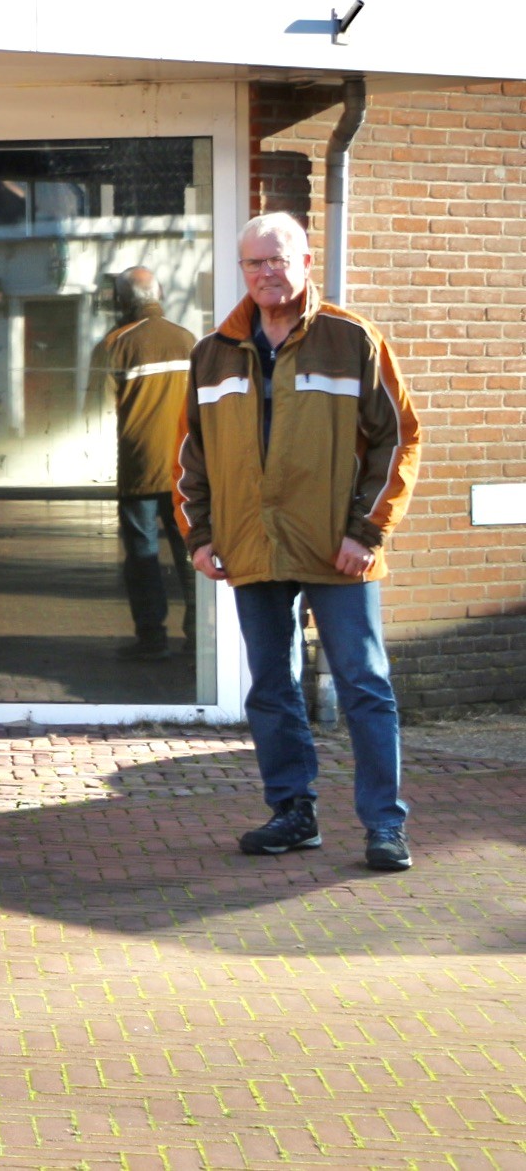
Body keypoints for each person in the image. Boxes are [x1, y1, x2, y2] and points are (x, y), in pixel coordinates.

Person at [177, 213, 421, 871]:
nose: (266, 273)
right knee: (271, 687)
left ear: (307, 261)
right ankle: (293, 812)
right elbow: (189, 457)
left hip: (337, 548)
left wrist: (367, 531)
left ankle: (383, 825)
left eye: (278, 260)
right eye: (254, 263)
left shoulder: (351, 340)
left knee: (364, 684)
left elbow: (398, 441)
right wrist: (200, 535)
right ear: (242, 270)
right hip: (251, 548)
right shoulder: (212, 354)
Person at [85, 267, 196, 661]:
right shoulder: (188, 341)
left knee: (143, 556)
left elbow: (94, 413)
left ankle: (152, 638)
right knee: (190, 552)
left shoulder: (115, 345)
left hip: (139, 471)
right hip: (187, 471)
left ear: (121, 300)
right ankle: (198, 636)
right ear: (159, 293)